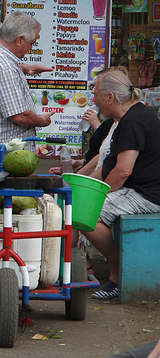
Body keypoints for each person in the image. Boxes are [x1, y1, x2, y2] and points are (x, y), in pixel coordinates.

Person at [79, 67, 160, 300]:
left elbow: (123, 170)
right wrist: (81, 183)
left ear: (110, 97)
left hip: (147, 195)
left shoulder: (133, 121)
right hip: (137, 190)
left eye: (95, 95)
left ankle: (117, 275)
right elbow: (108, 166)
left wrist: (96, 195)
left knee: (87, 216)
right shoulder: (125, 119)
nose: (93, 100)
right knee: (82, 205)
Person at [0, 10, 55, 171]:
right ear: (20, 39)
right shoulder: (4, 69)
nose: (31, 47)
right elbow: (20, 116)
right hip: (2, 155)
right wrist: (42, 121)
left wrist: (24, 67)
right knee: (11, 196)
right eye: (31, 43)